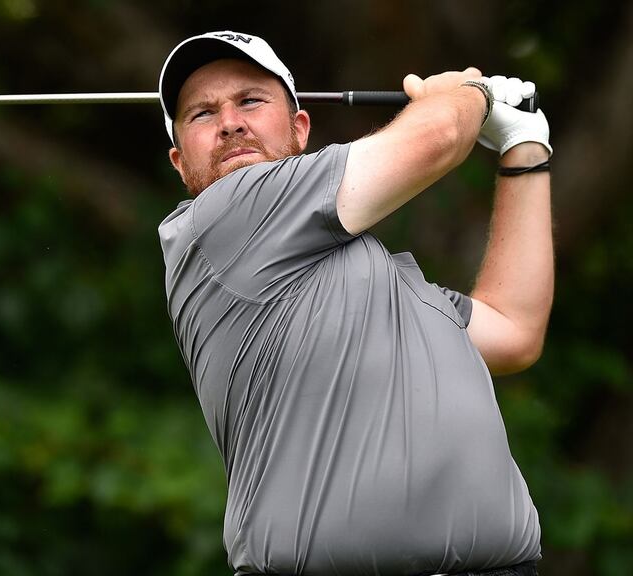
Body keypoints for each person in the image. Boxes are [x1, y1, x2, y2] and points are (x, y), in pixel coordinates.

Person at [156, 31, 553, 576]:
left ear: (299, 129)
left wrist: (525, 149)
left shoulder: (384, 279)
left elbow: (513, 331)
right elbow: (437, 136)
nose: (229, 122)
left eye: (250, 100)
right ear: (180, 162)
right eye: (202, 114)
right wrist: (468, 92)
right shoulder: (218, 222)